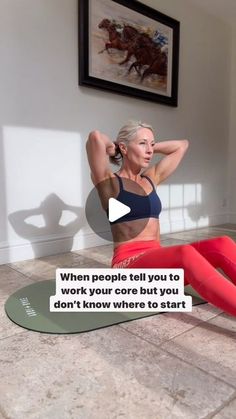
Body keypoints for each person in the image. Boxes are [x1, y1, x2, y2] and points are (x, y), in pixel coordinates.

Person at [86, 120, 236, 316]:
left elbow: (182, 145)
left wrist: (149, 147)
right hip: (128, 266)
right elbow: (95, 137)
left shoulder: (151, 178)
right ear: (123, 147)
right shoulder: (109, 183)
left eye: (152, 144)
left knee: (222, 243)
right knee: (184, 253)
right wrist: (114, 148)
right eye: (142, 144)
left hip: (156, 263)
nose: (149, 150)